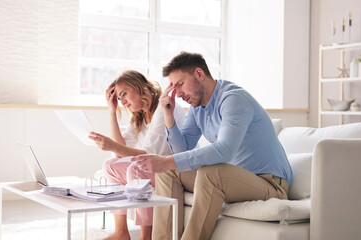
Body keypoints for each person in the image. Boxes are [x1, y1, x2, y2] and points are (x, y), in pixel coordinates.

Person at [132, 52, 293, 240]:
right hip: (232, 179)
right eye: (173, 87)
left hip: (269, 184)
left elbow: (224, 150)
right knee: (168, 171)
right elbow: (182, 153)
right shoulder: (197, 108)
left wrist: (168, 160)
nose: (178, 93)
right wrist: (169, 117)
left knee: (211, 171)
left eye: (180, 84)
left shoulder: (233, 99)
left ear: (199, 74)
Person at [89, 70, 185, 240]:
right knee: (109, 166)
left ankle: (145, 236)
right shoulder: (140, 115)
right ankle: (121, 232)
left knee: (136, 169)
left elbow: (149, 154)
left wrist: (112, 145)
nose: (123, 102)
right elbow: (120, 151)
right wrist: (112, 111)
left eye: (124, 94)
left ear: (139, 87)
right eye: (119, 99)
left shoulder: (163, 108)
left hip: (173, 168)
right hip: (154, 166)